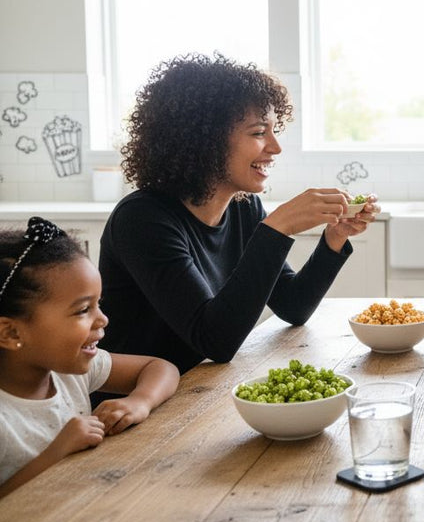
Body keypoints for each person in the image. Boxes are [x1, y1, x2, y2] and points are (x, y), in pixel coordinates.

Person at [98, 53, 379, 373]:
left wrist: (334, 237)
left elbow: (293, 305)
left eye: (274, 130)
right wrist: (278, 227)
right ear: (206, 140)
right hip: (133, 410)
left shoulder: (243, 207)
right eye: (259, 132)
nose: (275, 147)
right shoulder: (143, 220)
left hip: (194, 391)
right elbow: (215, 340)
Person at [0, 218, 179, 499]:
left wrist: (139, 401)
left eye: (99, 304)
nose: (103, 319)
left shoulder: (70, 371)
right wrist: (57, 453)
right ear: (10, 332)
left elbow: (160, 368)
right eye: (83, 309)